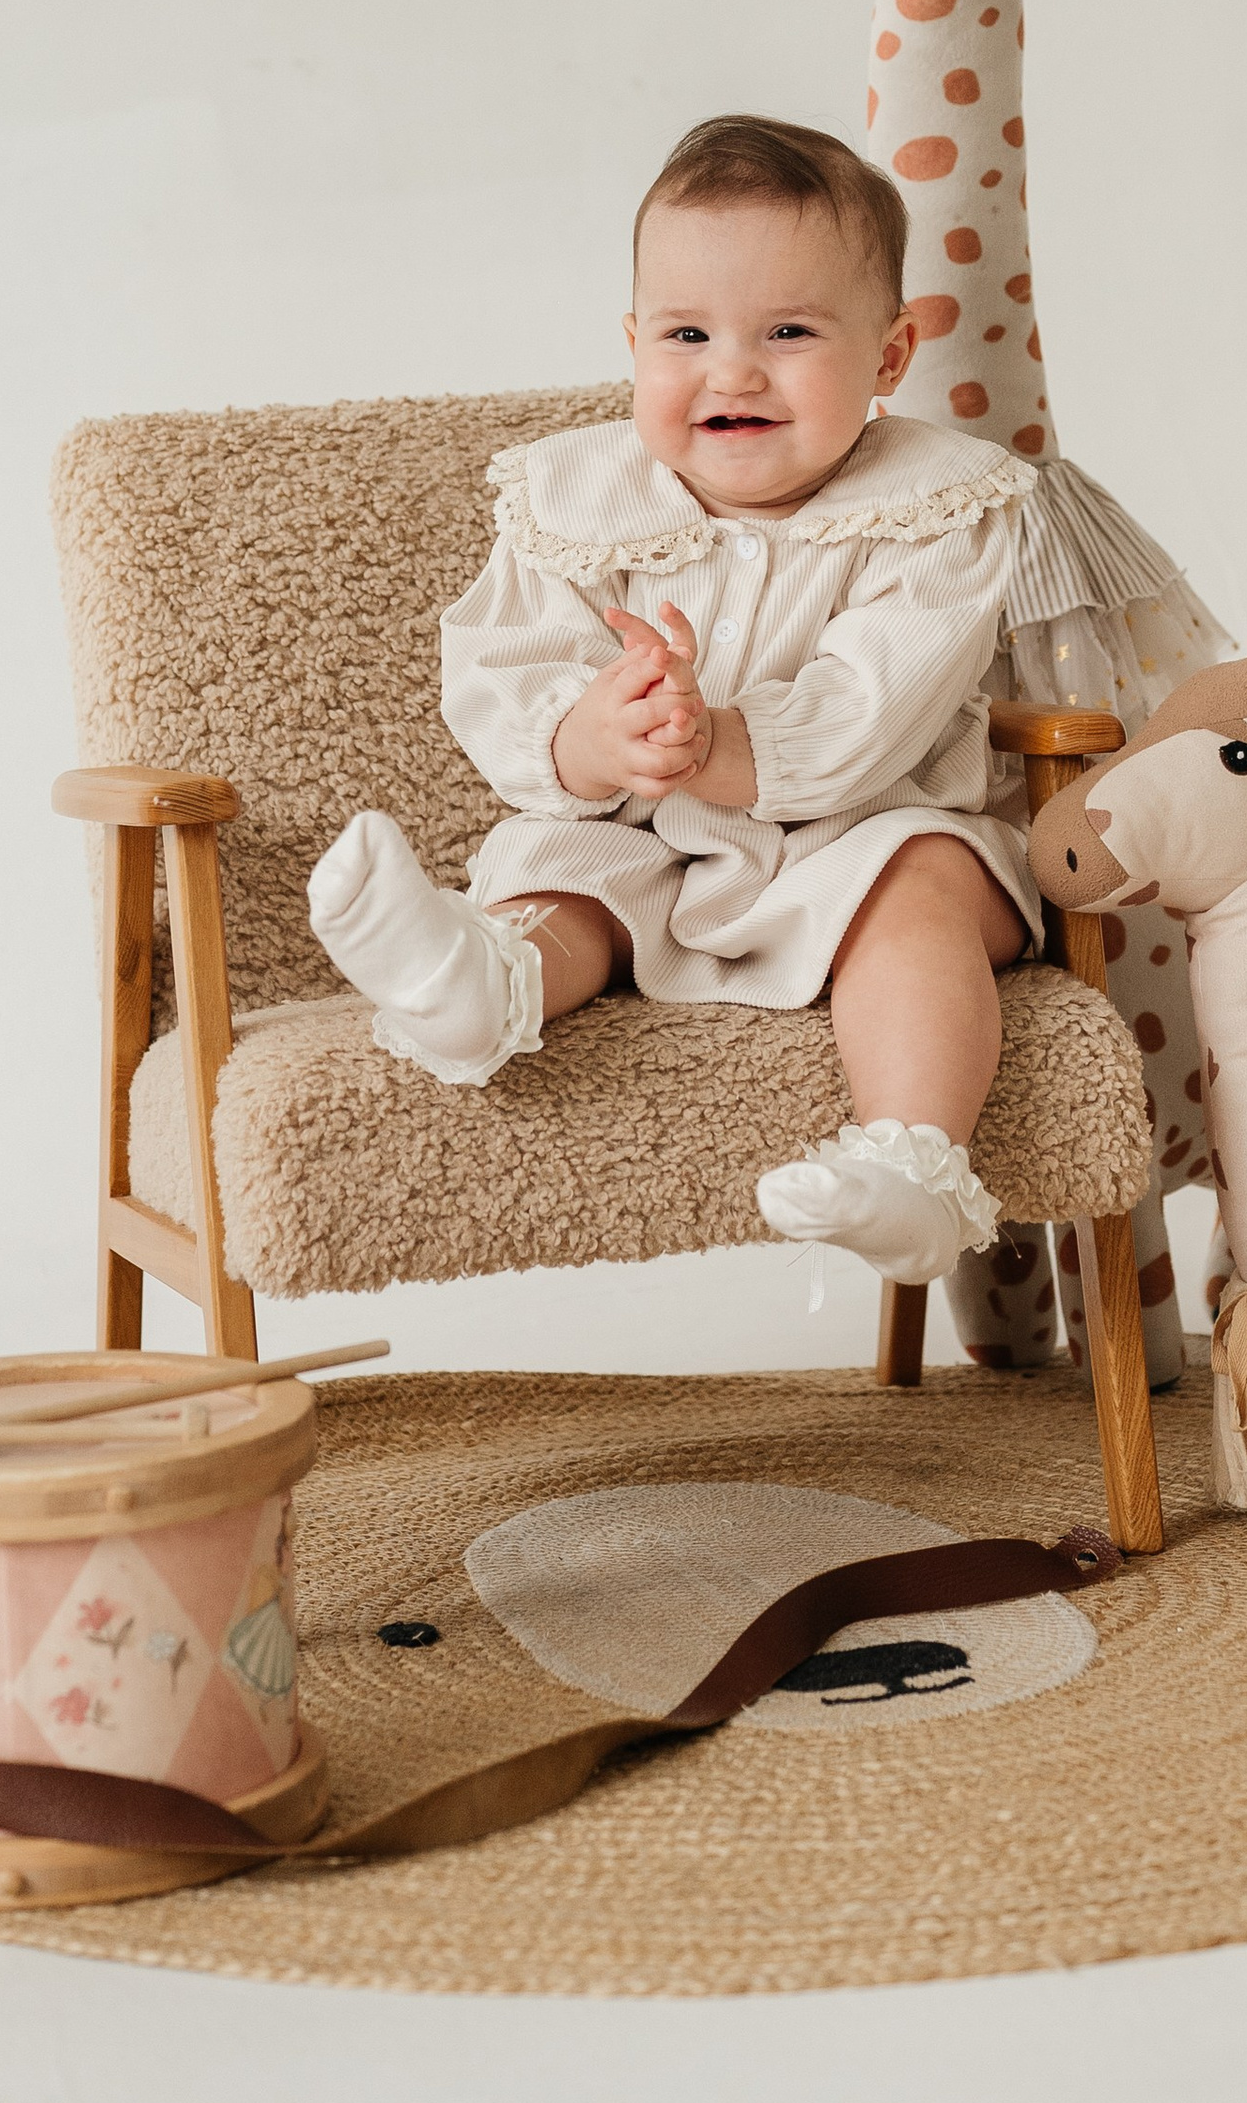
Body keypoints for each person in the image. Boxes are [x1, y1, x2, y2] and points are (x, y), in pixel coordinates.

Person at [307, 114, 1037, 1284]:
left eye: (789, 331)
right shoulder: (574, 493)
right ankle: (471, 986)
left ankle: (913, 1166)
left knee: (923, 878)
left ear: (890, 356)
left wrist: (721, 741)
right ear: (634, 340)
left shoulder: (943, 504)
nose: (731, 370)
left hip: (854, 835)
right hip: (645, 841)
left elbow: (876, 703)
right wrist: (593, 735)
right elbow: (501, 663)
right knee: (559, 863)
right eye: (686, 331)